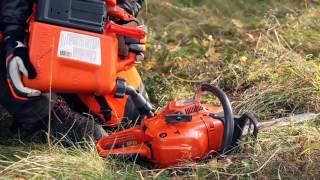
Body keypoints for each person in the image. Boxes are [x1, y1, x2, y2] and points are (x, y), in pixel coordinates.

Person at [0, 0, 146, 143]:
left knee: (133, 116)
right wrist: (13, 36)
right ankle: (46, 115)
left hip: (83, 25)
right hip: (21, 30)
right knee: (89, 136)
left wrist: (122, 15)